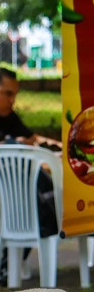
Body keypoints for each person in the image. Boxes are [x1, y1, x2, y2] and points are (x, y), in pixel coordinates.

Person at [0, 67, 60, 283]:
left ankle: (11, 266)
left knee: (33, 200)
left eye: (15, 94)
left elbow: (33, 138)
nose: (12, 100)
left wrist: (57, 145)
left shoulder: (9, 116)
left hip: (15, 197)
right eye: (7, 93)